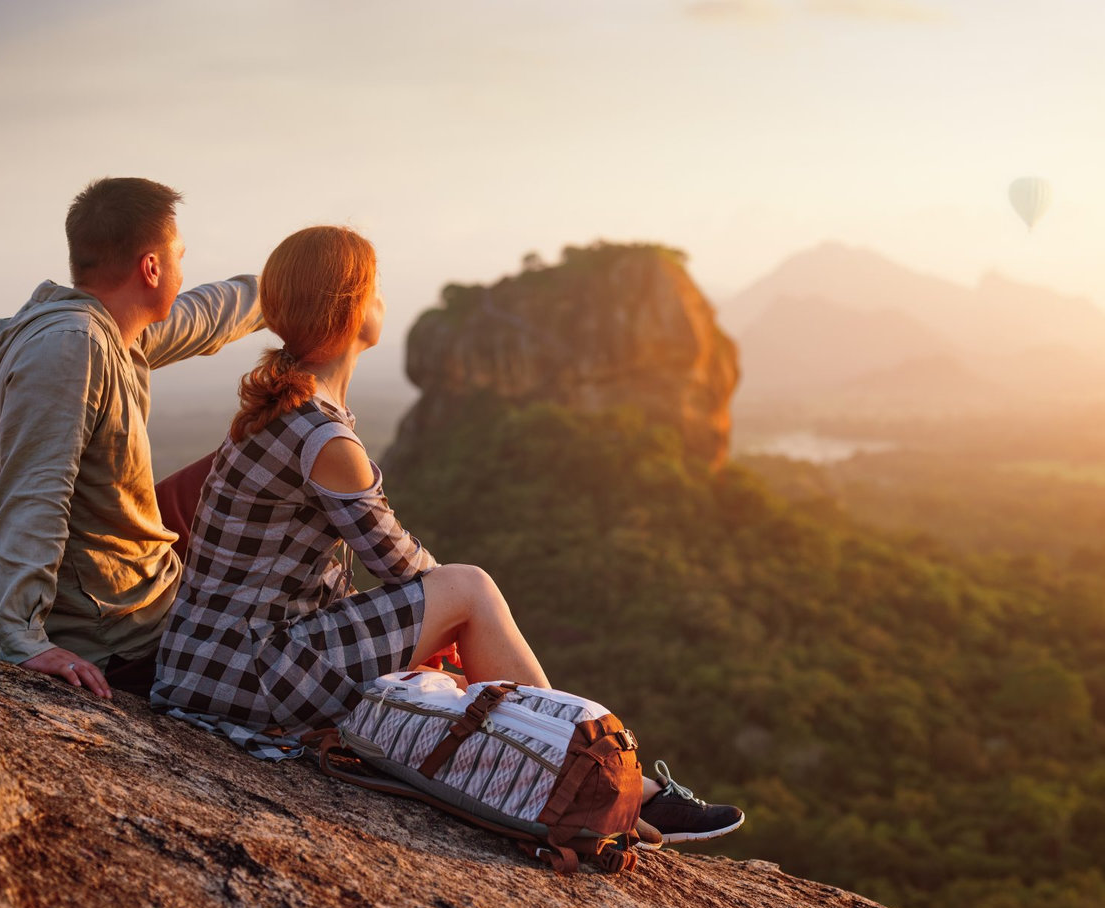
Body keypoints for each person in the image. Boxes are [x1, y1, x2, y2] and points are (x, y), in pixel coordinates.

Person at [151, 226, 743, 844]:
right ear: (354, 311)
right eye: (375, 291)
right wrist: (449, 622)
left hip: (208, 664)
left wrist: (434, 635)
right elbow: (407, 568)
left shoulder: (280, 410)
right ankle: (586, 766)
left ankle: (599, 777)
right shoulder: (323, 439)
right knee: (471, 588)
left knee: (451, 651)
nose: (384, 302)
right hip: (249, 671)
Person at [0, 177, 265, 699]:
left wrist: (290, 286)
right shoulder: (71, 348)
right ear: (152, 267)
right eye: (178, 257)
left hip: (123, 566)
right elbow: (34, 493)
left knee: (255, 455)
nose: (182, 269)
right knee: (286, 454)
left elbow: (207, 314)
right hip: (115, 627)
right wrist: (23, 637)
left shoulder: (107, 328)